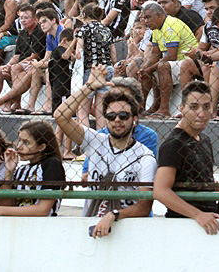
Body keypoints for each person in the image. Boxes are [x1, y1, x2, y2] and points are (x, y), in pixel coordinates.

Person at [55, 65, 156, 236]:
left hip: (129, 230)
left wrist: (114, 215)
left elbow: (144, 207)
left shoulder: (145, 157)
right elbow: (60, 116)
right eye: (111, 116)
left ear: (134, 118)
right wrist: (89, 87)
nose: (117, 120)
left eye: (123, 116)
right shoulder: (96, 141)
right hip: (91, 225)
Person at [154, 81, 219, 234]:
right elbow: (160, 191)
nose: (201, 114)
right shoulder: (174, 144)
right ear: (182, 109)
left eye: (206, 107)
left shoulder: (204, 139)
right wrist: (198, 215)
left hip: (207, 224)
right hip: (182, 226)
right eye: (194, 107)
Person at [0, 121, 65, 217]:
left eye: (26, 143)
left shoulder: (51, 164)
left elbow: (43, 210)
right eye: (19, 140)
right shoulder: (21, 169)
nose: (19, 147)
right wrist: (9, 172)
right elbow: (6, 204)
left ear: (41, 147)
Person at [138, 1, 197, 118]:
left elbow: (171, 56)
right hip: (174, 63)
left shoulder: (171, 25)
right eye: (144, 18)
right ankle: (141, 108)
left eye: (148, 17)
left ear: (159, 15)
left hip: (187, 62)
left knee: (162, 66)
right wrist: (145, 67)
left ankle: (164, 110)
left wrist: (150, 69)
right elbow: (155, 54)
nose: (146, 21)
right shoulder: (156, 28)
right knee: (143, 69)